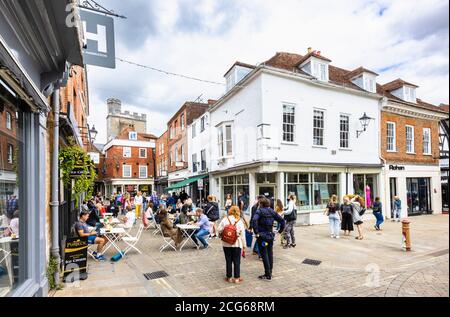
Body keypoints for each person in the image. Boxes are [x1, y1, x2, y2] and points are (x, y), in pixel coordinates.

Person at [251, 198, 285, 281]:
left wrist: (256, 232)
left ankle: (268, 274)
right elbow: (282, 221)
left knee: (264, 254)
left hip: (262, 237)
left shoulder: (259, 211)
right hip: (270, 236)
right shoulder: (272, 211)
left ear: (261, 204)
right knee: (270, 253)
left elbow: (254, 220)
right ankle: (270, 272)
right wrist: (279, 231)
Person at [218, 206, 245, 283]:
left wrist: (221, 234)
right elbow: (243, 235)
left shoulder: (225, 219)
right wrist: (244, 245)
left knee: (228, 260)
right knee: (237, 261)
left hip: (226, 243)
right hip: (237, 243)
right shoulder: (239, 221)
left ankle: (229, 277)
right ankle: (236, 278)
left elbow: (219, 229)